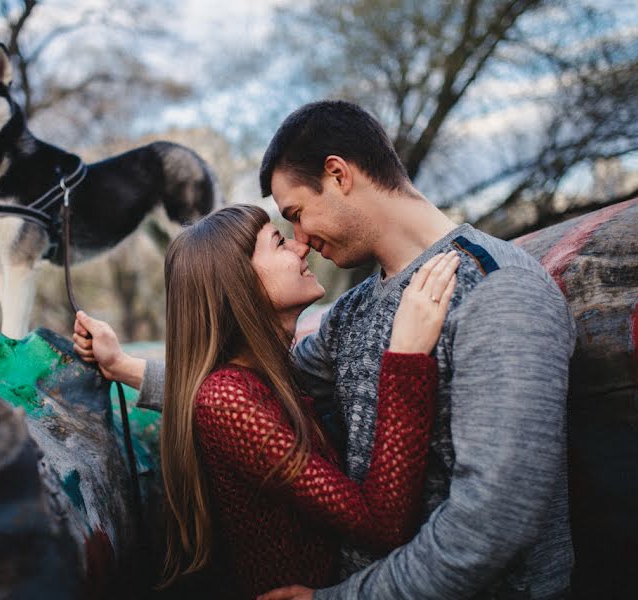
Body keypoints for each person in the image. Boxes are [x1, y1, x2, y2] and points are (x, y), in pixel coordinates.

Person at [82, 100, 576, 600]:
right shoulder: (353, 310)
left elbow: (496, 523)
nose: (300, 240)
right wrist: (124, 366)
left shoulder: (499, 291)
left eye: (296, 214)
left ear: (338, 175)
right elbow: (255, 391)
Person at [74, 203, 460, 599]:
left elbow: (200, 386)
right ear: (242, 282)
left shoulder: (263, 375)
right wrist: (407, 359)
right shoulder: (229, 398)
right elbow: (382, 524)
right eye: (279, 242)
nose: (300, 248)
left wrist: (122, 365)